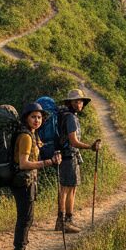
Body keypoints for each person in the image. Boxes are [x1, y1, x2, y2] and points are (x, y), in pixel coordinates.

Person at [11, 102, 61, 250]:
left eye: (39, 117)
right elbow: (23, 163)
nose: (37, 120)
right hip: (23, 181)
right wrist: (47, 162)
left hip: (28, 180)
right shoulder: (26, 137)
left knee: (28, 217)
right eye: (33, 117)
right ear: (26, 118)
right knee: (24, 217)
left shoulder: (32, 135)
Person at [54, 89, 101, 234]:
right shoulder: (70, 118)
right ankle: (65, 222)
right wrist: (90, 147)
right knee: (68, 190)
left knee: (68, 189)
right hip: (69, 157)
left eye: (81, 101)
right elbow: (73, 141)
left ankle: (62, 222)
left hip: (65, 156)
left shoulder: (65, 116)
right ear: (70, 103)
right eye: (76, 101)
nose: (79, 103)